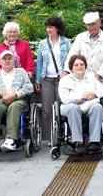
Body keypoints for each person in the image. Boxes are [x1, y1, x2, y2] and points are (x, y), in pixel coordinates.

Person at [0, 50, 33, 153]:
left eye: (10, 58)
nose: (7, 61)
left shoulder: (21, 72)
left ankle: (11, 140)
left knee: (14, 107)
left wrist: (15, 95)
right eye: (4, 59)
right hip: (1, 101)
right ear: (0, 62)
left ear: (14, 61)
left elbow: (29, 87)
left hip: (18, 101)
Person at [58, 54, 103, 154]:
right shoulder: (65, 80)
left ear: (85, 66)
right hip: (70, 107)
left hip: (88, 106)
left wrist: (94, 94)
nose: (79, 66)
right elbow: (65, 99)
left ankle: (94, 142)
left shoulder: (91, 77)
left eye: (82, 64)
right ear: (71, 68)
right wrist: (81, 97)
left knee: (97, 107)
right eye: (76, 65)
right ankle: (78, 142)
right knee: (73, 108)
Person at [35, 17, 71, 145]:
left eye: (51, 27)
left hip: (62, 79)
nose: (48, 29)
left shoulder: (66, 42)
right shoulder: (43, 43)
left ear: (57, 28)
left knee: (63, 107)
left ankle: (64, 135)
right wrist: (38, 80)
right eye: (47, 27)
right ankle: (50, 137)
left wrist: (66, 72)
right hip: (46, 79)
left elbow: (70, 60)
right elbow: (39, 62)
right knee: (47, 109)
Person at [67, 12, 103, 89]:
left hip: (100, 83)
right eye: (89, 25)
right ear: (86, 26)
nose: (91, 27)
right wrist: (66, 71)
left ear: (99, 23)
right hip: (81, 82)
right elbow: (72, 55)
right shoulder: (80, 38)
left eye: (94, 24)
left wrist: (99, 75)